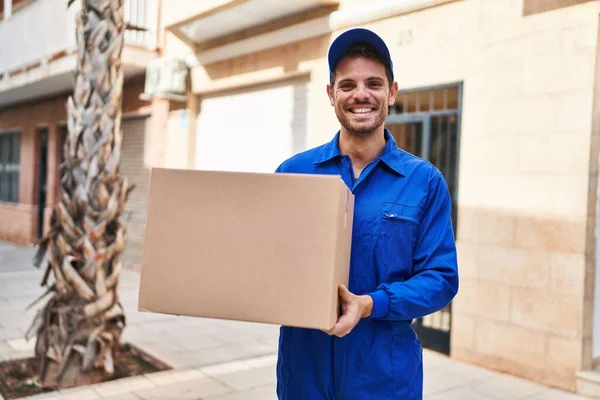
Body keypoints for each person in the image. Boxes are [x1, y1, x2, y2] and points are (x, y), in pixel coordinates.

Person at [274, 28, 459, 399]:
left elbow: (441, 279)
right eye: (347, 85)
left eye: (374, 83)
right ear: (331, 95)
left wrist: (371, 303)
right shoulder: (294, 173)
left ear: (391, 92)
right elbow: (268, 261)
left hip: (384, 380)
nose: (361, 94)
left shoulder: (424, 182)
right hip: (304, 376)